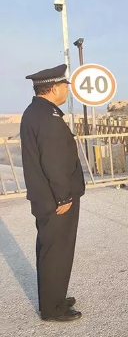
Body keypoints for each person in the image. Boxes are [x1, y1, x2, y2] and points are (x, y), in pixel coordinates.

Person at [20, 64, 85, 322]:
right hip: (55, 199)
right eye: (65, 86)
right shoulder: (48, 117)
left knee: (51, 249)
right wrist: (64, 196)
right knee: (56, 251)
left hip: (45, 196)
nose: (67, 90)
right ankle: (53, 308)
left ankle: (54, 297)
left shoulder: (35, 111)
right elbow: (54, 161)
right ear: (55, 88)